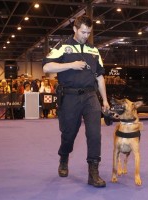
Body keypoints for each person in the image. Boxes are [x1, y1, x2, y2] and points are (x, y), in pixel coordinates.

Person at [42, 15, 110, 188]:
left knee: (95, 134)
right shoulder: (63, 47)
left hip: (90, 96)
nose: (86, 35)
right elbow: (47, 67)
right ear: (75, 29)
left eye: (89, 32)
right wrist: (70, 65)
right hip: (69, 97)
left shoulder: (94, 50)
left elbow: (100, 77)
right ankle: (64, 157)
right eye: (83, 32)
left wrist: (105, 101)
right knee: (68, 135)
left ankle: (93, 173)